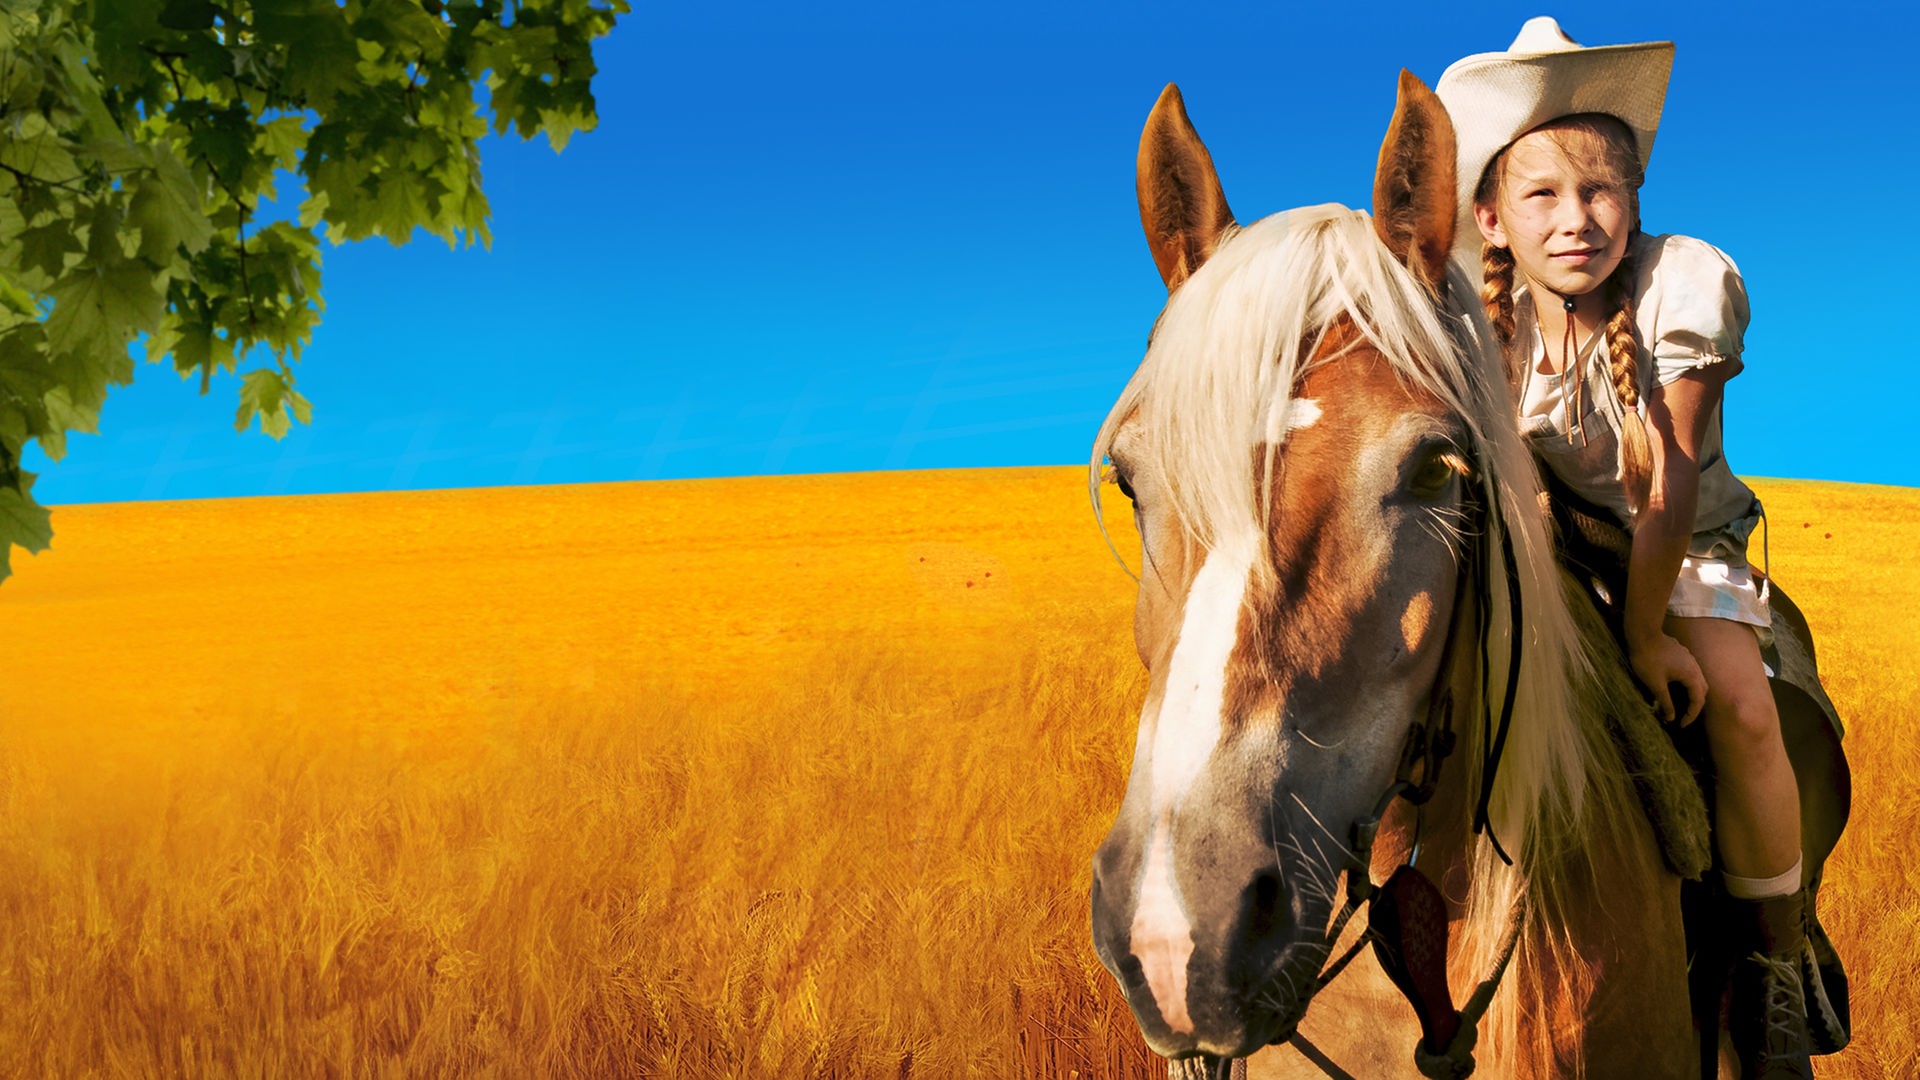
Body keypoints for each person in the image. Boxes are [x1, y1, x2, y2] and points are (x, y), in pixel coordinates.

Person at [1436, 18, 1812, 1078]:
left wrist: (1646, 637)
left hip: (1681, 551)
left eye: (1600, 190)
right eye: (1542, 195)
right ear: (1490, 217)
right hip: (1546, 550)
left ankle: (1777, 960)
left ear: (1635, 199)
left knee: (1739, 704)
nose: (1576, 219)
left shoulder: (1680, 282)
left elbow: (1668, 484)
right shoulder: (1476, 318)